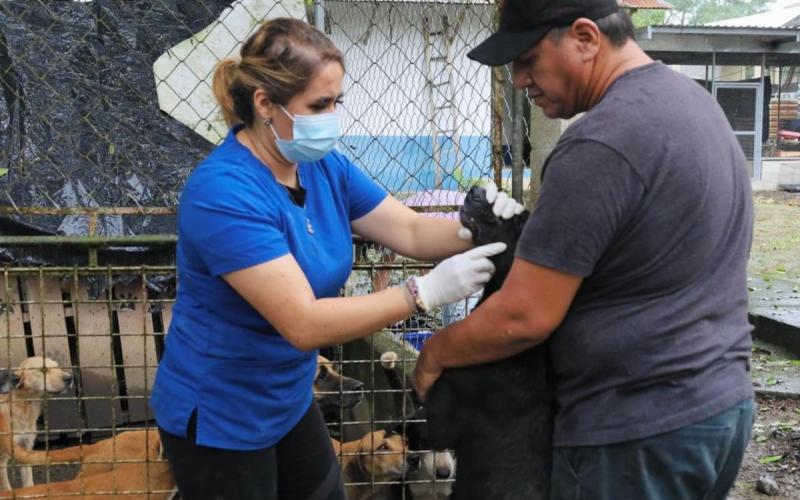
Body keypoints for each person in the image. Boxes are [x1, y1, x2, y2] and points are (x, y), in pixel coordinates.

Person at [149, 17, 521, 500]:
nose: (331, 116)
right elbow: (302, 322)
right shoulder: (223, 191)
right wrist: (421, 292)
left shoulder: (323, 166)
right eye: (318, 105)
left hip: (287, 394)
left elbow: (408, 228)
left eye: (335, 102)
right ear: (265, 104)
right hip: (223, 410)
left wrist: (478, 228)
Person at [413, 1, 755, 499]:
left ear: (586, 37)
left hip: (636, 430)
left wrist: (436, 354)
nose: (519, 79)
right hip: (716, 405)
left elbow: (525, 316)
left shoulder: (599, 145)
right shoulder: (693, 102)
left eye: (528, 59)